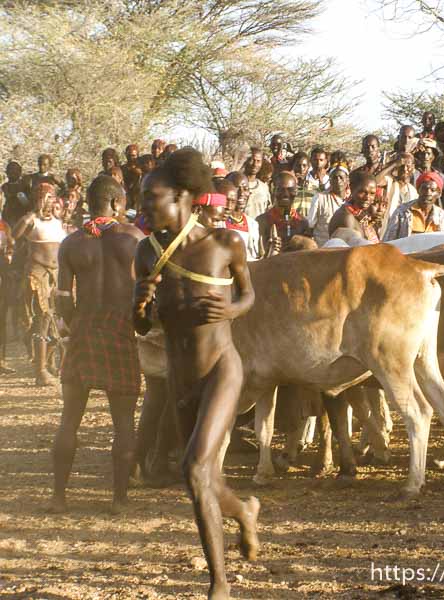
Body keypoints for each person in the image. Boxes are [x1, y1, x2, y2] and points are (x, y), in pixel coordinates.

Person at [133, 147, 259, 600]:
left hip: (222, 369)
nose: (144, 207)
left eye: (152, 198)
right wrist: (139, 303)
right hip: (179, 377)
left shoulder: (226, 244)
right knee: (202, 478)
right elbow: (141, 326)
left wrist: (232, 309)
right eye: (143, 199)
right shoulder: (146, 253)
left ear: (183, 197)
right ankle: (243, 511)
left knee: (192, 467)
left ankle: (219, 585)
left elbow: (248, 296)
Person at [52, 174, 144, 513]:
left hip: (84, 331)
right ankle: (119, 500)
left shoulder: (72, 243)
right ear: (117, 203)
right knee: (124, 423)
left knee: (69, 419)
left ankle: (58, 498)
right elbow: (148, 294)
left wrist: (76, 325)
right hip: (121, 331)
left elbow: (63, 299)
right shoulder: (135, 239)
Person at [12, 182, 66, 385]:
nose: (51, 200)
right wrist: (30, 215)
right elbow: (15, 235)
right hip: (37, 275)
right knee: (41, 321)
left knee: (54, 323)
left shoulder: (58, 222)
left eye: (53, 196)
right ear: (39, 198)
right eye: (47, 196)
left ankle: (46, 363)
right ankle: (40, 371)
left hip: (55, 276)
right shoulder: (32, 220)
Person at [383, 171, 444, 240]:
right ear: (418, 190)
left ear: (439, 194)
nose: (428, 193)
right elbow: (388, 241)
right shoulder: (402, 212)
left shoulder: (442, 216)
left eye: (433, 190)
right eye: (424, 189)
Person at [257, 171, 309, 249]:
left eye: (290, 190)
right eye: (281, 189)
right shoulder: (262, 221)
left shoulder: (302, 222)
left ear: (296, 192)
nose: (285, 194)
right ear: (273, 190)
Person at [327, 171, 380, 243]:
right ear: (352, 188)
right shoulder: (347, 217)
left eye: (372, 193)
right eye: (362, 192)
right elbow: (353, 248)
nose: (367, 197)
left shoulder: (362, 213)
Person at [374, 153, 418, 239]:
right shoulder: (390, 182)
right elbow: (375, 181)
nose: (405, 169)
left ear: (413, 168)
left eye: (408, 166)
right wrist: (394, 164)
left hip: (405, 230)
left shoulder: (413, 190)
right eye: (402, 166)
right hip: (388, 227)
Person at [218, 178, 261, 261]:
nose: (241, 193)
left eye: (245, 189)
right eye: (236, 188)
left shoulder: (253, 224)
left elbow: (254, 257)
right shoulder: (218, 222)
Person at [307, 165, 348, 247]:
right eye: (335, 178)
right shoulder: (319, 198)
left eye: (341, 177)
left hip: (346, 248)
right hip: (324, 248)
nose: (338, 180)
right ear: (330, 181)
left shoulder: (352, 200)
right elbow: (310, 225)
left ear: (347, 180)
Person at [0, 215, 14, 374]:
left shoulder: (4, 226)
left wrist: (9, 251)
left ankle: (1, 361)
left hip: (2, 275)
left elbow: (11, 245)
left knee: (1, 318)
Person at [241, 148, 271, 220]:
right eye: (252, 160)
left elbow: (268, 210)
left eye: (258, 161)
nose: (255, 164)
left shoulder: (264, 187)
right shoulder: (238, 184)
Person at [1, 160, 28, 227]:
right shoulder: (4, 186)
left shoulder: (24, 186)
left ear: (20, 172)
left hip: (21, 216)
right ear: (7, 172)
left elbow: (27, 203)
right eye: (10, 171)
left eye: (15, 171)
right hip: (7, 216)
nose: (12, 173)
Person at [291, 152, 314, 217]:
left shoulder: (313, 187)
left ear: (308, 167)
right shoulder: (287, 187)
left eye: (304, 165)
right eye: (298, 165)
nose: (301, 169)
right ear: (293, 166)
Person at [121, 144, 141, 209]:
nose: (131, 158)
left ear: (138, 155)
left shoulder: (142, 168)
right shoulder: (122, 169)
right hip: (125, 198)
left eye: (133, 155)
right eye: (129, 155)